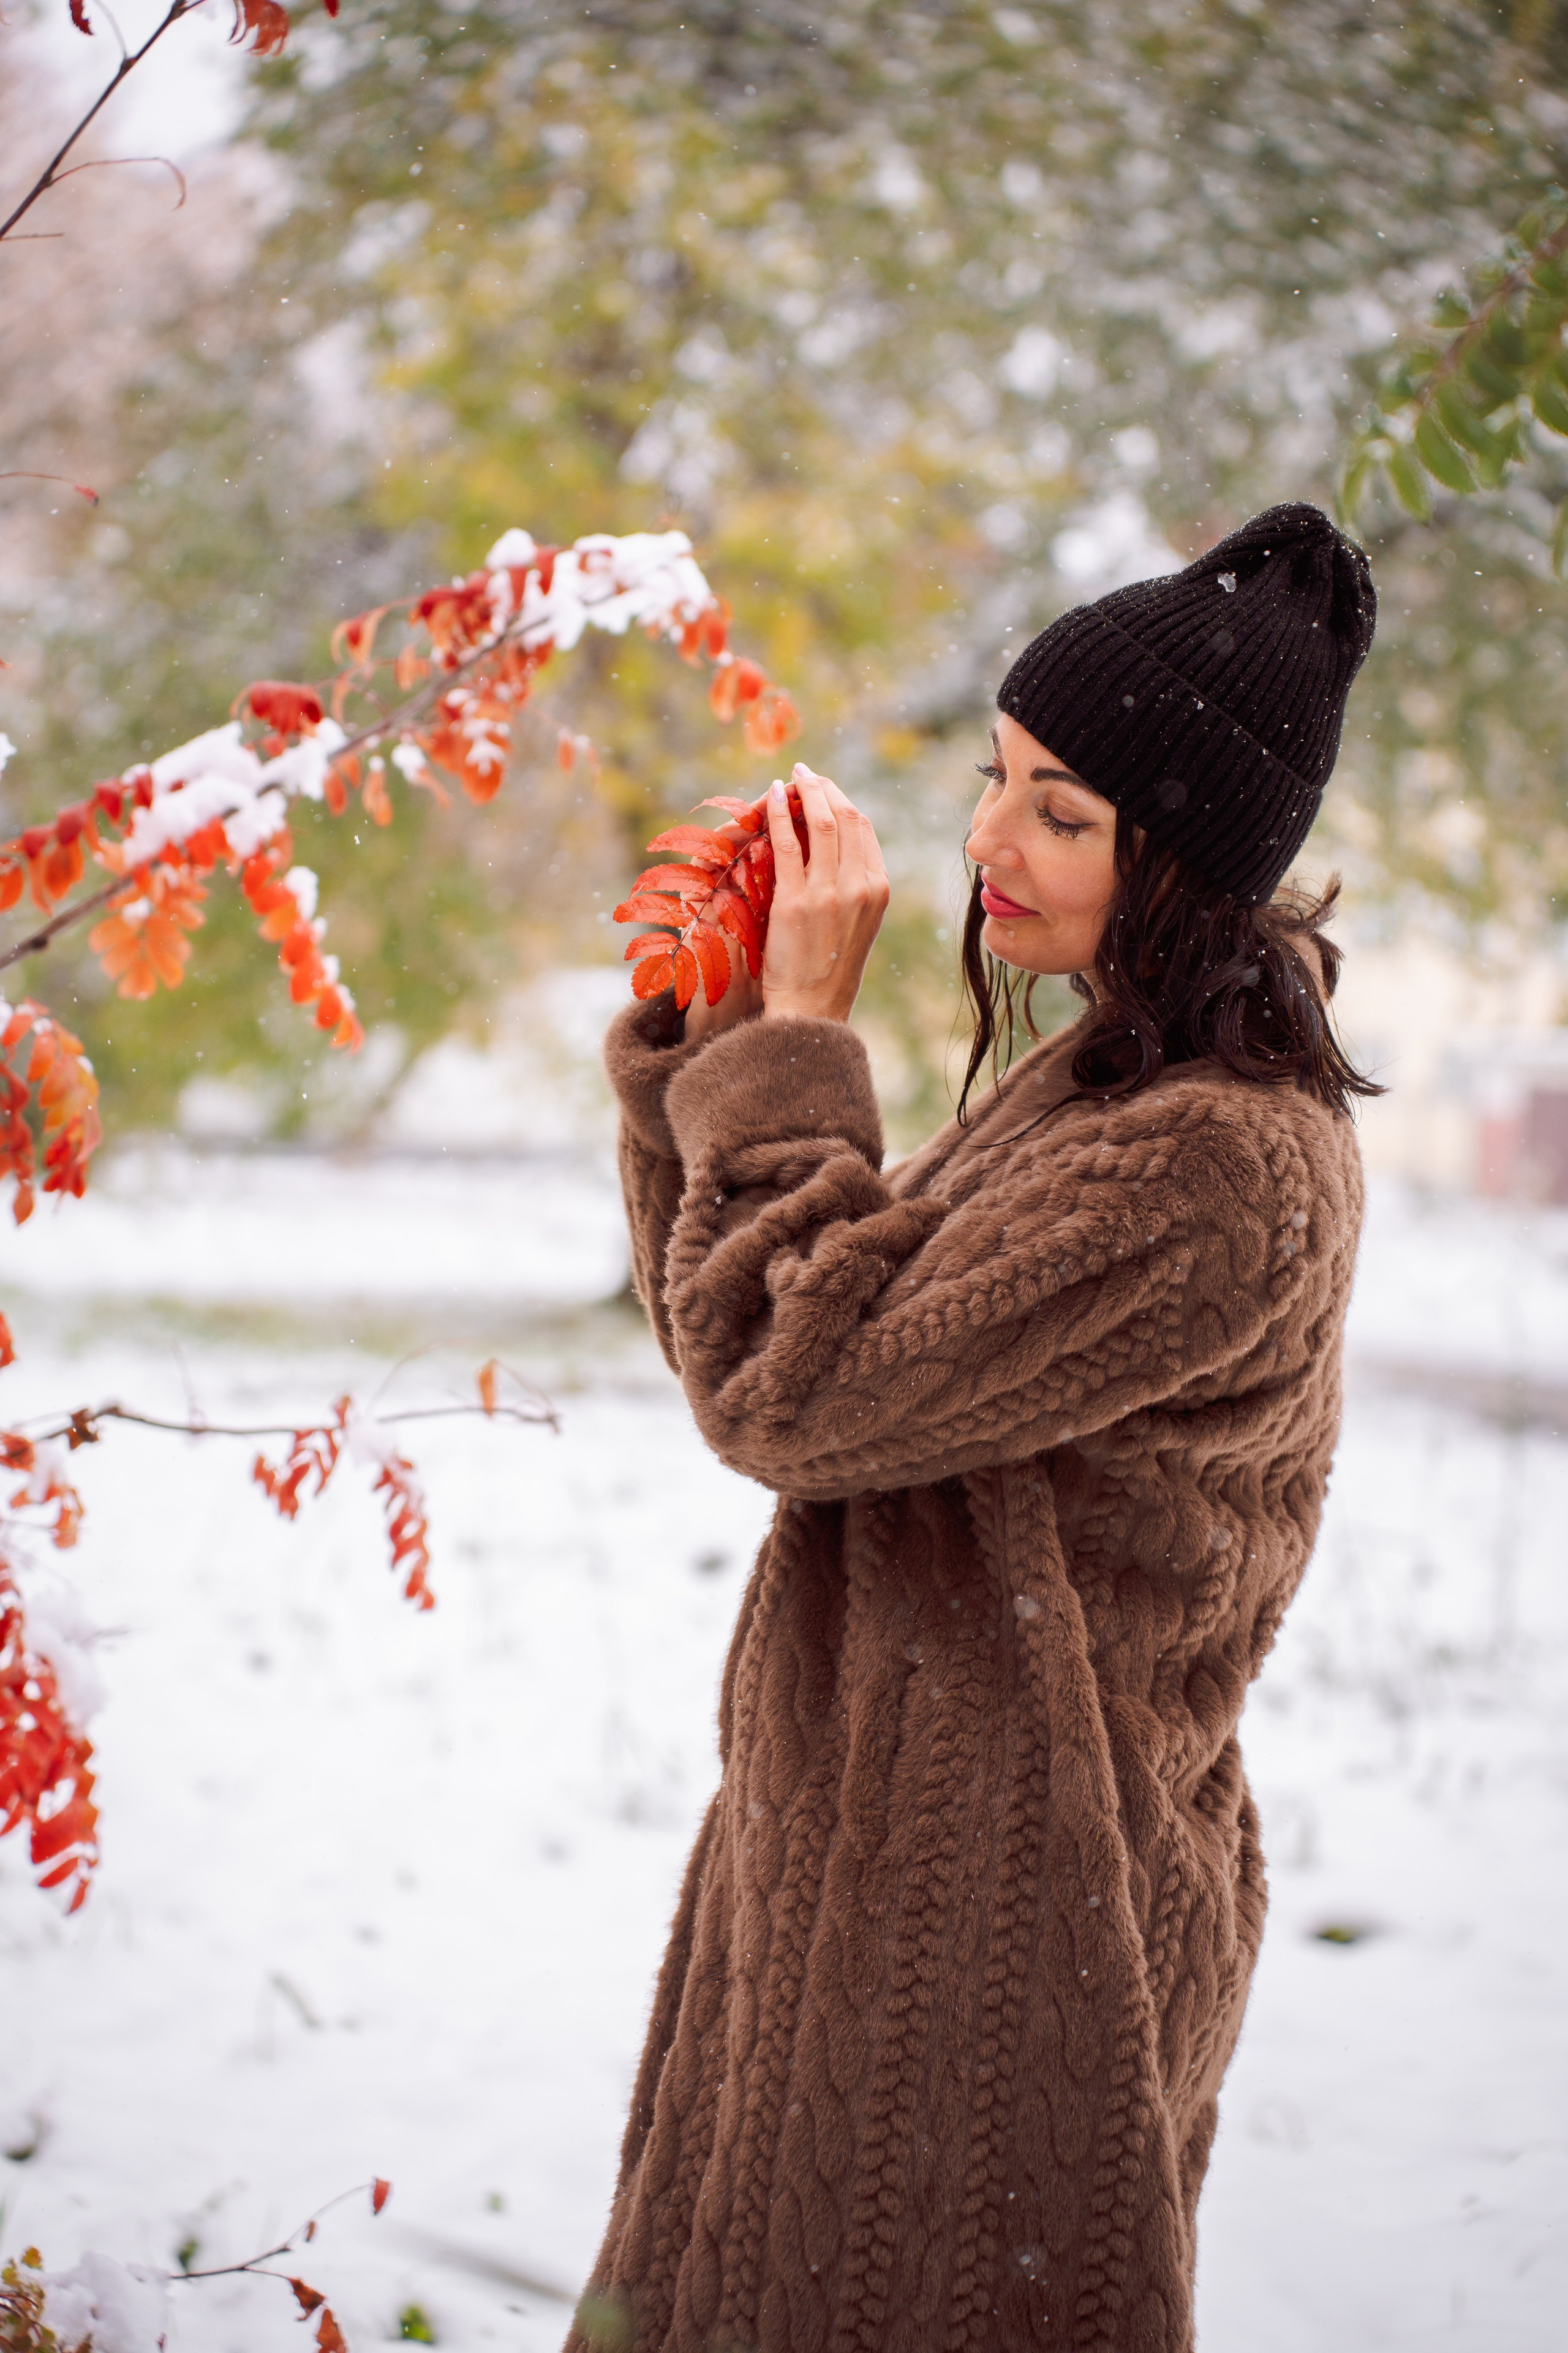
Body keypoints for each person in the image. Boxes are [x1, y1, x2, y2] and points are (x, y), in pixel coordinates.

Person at [573, 502, 1378, 2352]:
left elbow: (789, 1390)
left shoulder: (1214, 1163)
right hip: (882, 1857)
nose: (986, 839)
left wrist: (801, 1043)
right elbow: (748, 1337)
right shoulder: (1101, 1089)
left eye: (1061, 813)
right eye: (999, 778)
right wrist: (716, 1036)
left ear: (1186, 867)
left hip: (1011, 1914)